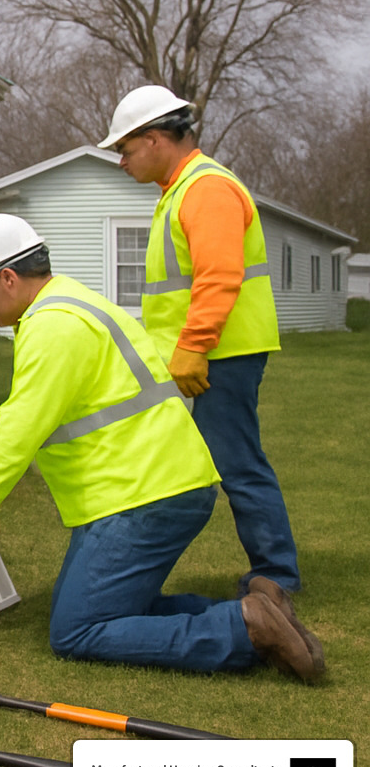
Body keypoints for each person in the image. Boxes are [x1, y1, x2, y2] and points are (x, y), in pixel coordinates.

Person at [0, 216, 323, 682]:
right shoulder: (77, 303)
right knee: (102, 605)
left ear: (7, 278)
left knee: (77, 629)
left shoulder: (53, 326)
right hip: (155, 485)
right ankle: (261, 608)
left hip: (142, 497)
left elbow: (20, 428)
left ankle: (242, 629)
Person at [99, 84, 298, 595]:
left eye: (124, 148)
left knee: (238, 463)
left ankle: (276, 575)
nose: (121, 160)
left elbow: (218, 275)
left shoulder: (205, 188)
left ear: (154, 139)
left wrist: (193, 345)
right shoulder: (181, 190)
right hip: (204, 353)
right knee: (219, 460)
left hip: (219, 353)